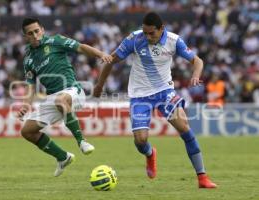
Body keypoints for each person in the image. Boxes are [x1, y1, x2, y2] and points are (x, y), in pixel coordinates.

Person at [93, 12, 217, 188]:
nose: (147, 36)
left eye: (151, 33)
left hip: (164, 92)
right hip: (139, 95)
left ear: (161, 29)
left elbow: (197, 61)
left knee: (184, 127)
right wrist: (99, 85)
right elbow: (110, 60)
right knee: (141, 140)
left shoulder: (174, 40)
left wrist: (196, 75)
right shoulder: (134, 39)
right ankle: (150, 154)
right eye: (145, 32)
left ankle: (202, 178)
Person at [17, 17, 112, 177]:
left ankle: (82, 141)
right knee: (27, 131)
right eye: (30, 33)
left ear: (42, 30)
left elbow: (80, 47)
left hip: (72, 91)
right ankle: (63, 157)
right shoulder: (28, 59)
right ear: (25, 36)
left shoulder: (56, 41)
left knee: (60, 99)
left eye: (36, 31)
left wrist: (100, 54)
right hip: (53, 98)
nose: (34, 35)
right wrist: (26, 104)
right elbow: (31, 86)